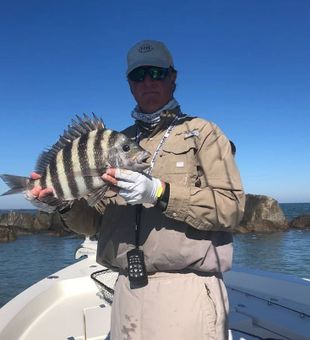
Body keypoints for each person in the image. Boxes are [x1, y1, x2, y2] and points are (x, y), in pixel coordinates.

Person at [28, 40, 245, 340]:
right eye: (138, 75)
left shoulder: (203, 133)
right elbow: (94, 224)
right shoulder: (117, 142)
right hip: (126, 292)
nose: (147, 82)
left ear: (173, 77)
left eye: (156, 72)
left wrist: (159, 192)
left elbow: (231, 208)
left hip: (186, 291)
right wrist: (63, 203)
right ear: (129, 84)